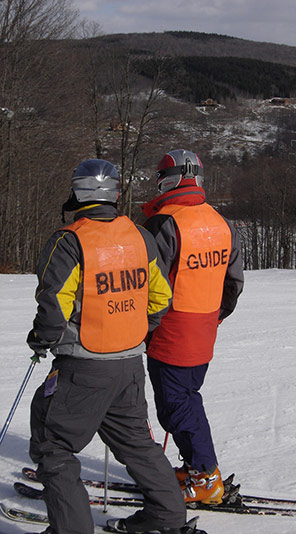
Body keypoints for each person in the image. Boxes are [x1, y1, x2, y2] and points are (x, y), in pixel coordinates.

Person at [26, 159, 204, 534]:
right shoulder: (139, 235)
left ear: (78, 192)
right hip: (128, 365)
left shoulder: (70, 239)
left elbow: (54, 302)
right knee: (137, 442)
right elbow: (160, 296)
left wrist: (43, 339)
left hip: (84, 367)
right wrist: (136, 329)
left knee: (53, 445)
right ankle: (168, 517)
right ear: (114, 194)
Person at [141, 149, 244, 506]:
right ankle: (196, 467)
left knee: (177, 406)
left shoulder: (164, 223)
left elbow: (149, 285)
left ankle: (205, 474)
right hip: (203, 329)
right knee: (185, 398)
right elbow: (233, 283)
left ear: (166, 180)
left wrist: (143, 325)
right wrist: (213, 316)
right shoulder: (221, 222)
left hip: (170, 331)